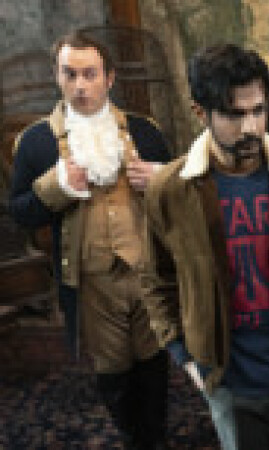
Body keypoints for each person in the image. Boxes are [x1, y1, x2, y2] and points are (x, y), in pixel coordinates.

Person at [140, 44, 269, 450]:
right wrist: (184, 354)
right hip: (227, 378)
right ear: (200, 112)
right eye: (234, 115)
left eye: (258, 110)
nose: (251, 127)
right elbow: (156, 278)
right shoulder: (170, 190)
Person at [9, 31, 171, 449]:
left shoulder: (145, 131)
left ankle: (154, 440)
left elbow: (182, 198)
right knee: (114, 373)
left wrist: (160, 179)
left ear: (109, 78)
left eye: (90, 74)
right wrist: (57, 186)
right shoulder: (36, 141)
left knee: (155, 363)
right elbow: (20, 212)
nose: (80, 85)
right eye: (70, 74)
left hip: (147, 274)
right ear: (57, 76)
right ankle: (133, 438)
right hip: (92, 282)